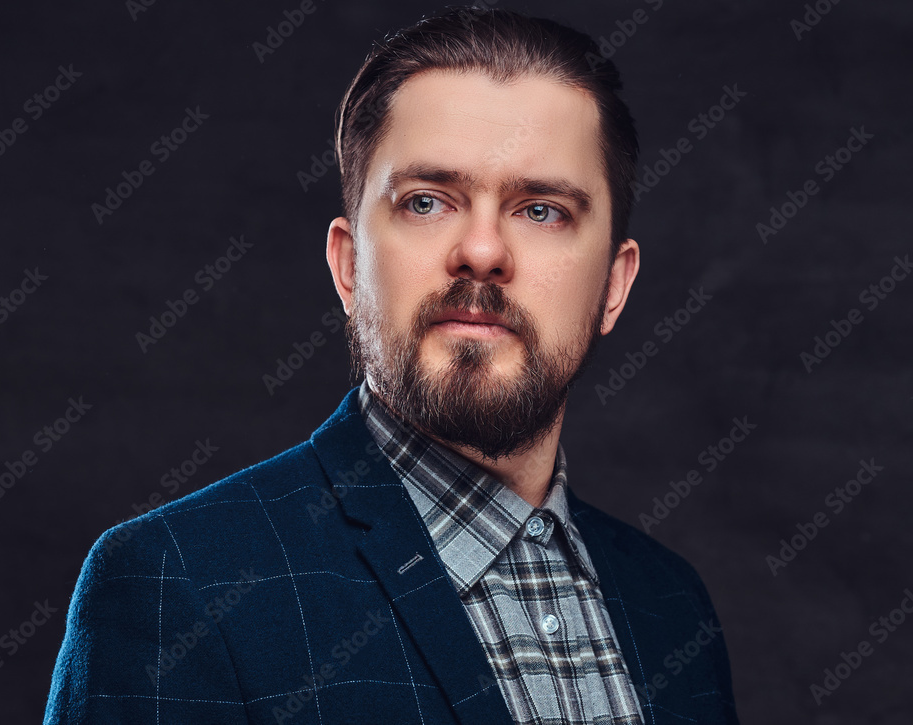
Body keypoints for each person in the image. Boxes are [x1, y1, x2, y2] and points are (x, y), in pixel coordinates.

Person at [45, 7, 738, 724]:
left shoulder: (672, 606)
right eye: (428, 201)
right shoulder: (176, 582)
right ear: (349, 267)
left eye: (542, 210)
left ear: (614, 287)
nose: (481, 250)